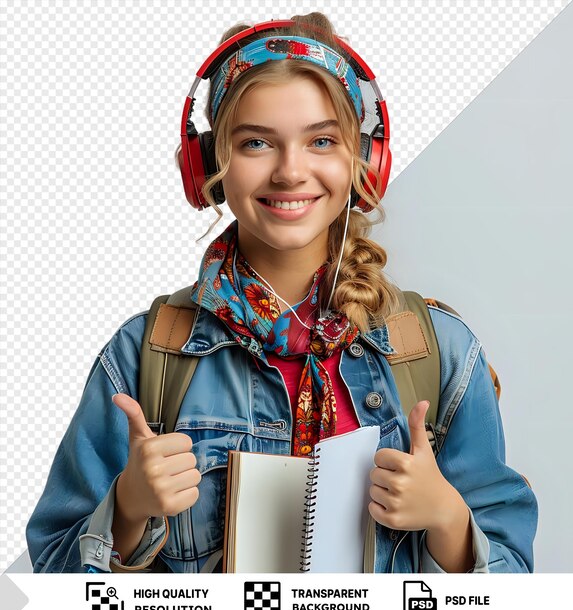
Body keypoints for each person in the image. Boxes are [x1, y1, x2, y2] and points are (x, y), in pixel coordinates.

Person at [26, 12, 537, 574]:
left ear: (363, 161)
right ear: (208, 165)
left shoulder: (439, 351)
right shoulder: (145, 356)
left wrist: (448, 523)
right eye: (256, 144)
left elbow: (513, 588)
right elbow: (52, 577)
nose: (291, 172)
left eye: (321, 140)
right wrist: (125, 512)